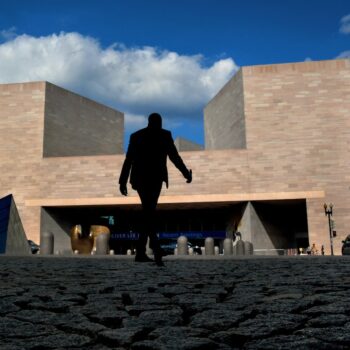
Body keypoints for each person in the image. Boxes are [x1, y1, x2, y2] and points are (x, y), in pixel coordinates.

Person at [119, 113, 192, 266]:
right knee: (149, 212)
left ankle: (141, 252)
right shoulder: (164, 135)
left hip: (141, 179)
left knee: (148, 212)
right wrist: (186, 173)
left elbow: (129, 160)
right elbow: (174, 157)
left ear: (149, 122)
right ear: (159, 122)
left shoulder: (136, 136)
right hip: (154, 179)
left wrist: (123, 181)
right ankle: (156, 248)